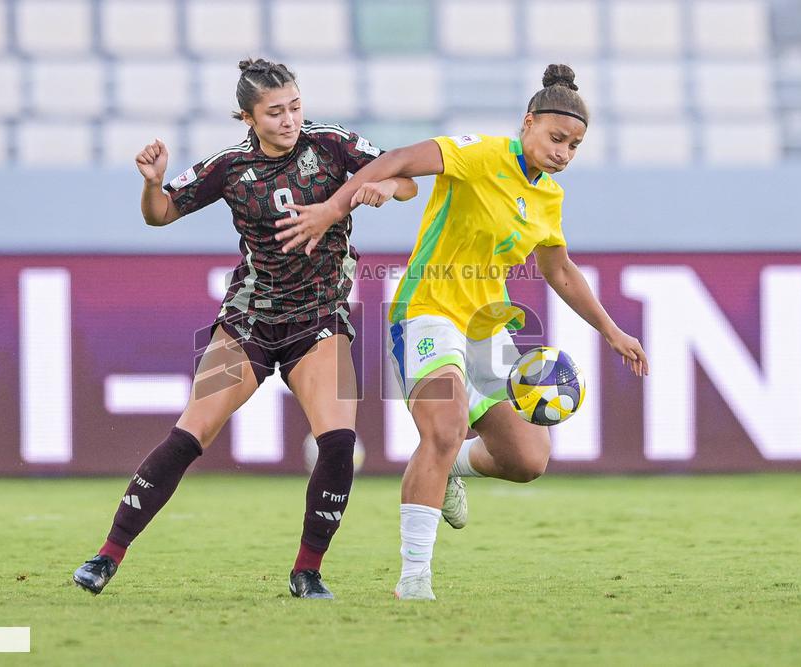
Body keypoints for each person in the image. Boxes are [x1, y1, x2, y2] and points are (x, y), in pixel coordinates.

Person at [274, 64, 649, 600]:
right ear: (528, 122)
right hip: (426, 311)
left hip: (486, 326)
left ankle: (450, 468)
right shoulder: (478, 154)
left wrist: (612, 332)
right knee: (444, 428)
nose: (563, 152)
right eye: (556, 137)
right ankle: (414, 579)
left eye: (574, 145)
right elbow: (400, 160)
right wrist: (336, 208)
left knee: (528, 459)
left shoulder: (549, 198)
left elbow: (560, 270)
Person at [72, 58, 417, 599]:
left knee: (338, 444)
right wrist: (153, 183)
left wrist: (382, 189)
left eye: (295, 106)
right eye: (275, 112)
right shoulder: (230, 167)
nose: (289, 119)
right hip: (249, 320)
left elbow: (407, 181)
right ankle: (106, 557)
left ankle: (307, 572)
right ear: (248, 118)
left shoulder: (332, 144)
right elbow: (159, 214)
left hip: (320, 318)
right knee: (190, 435)